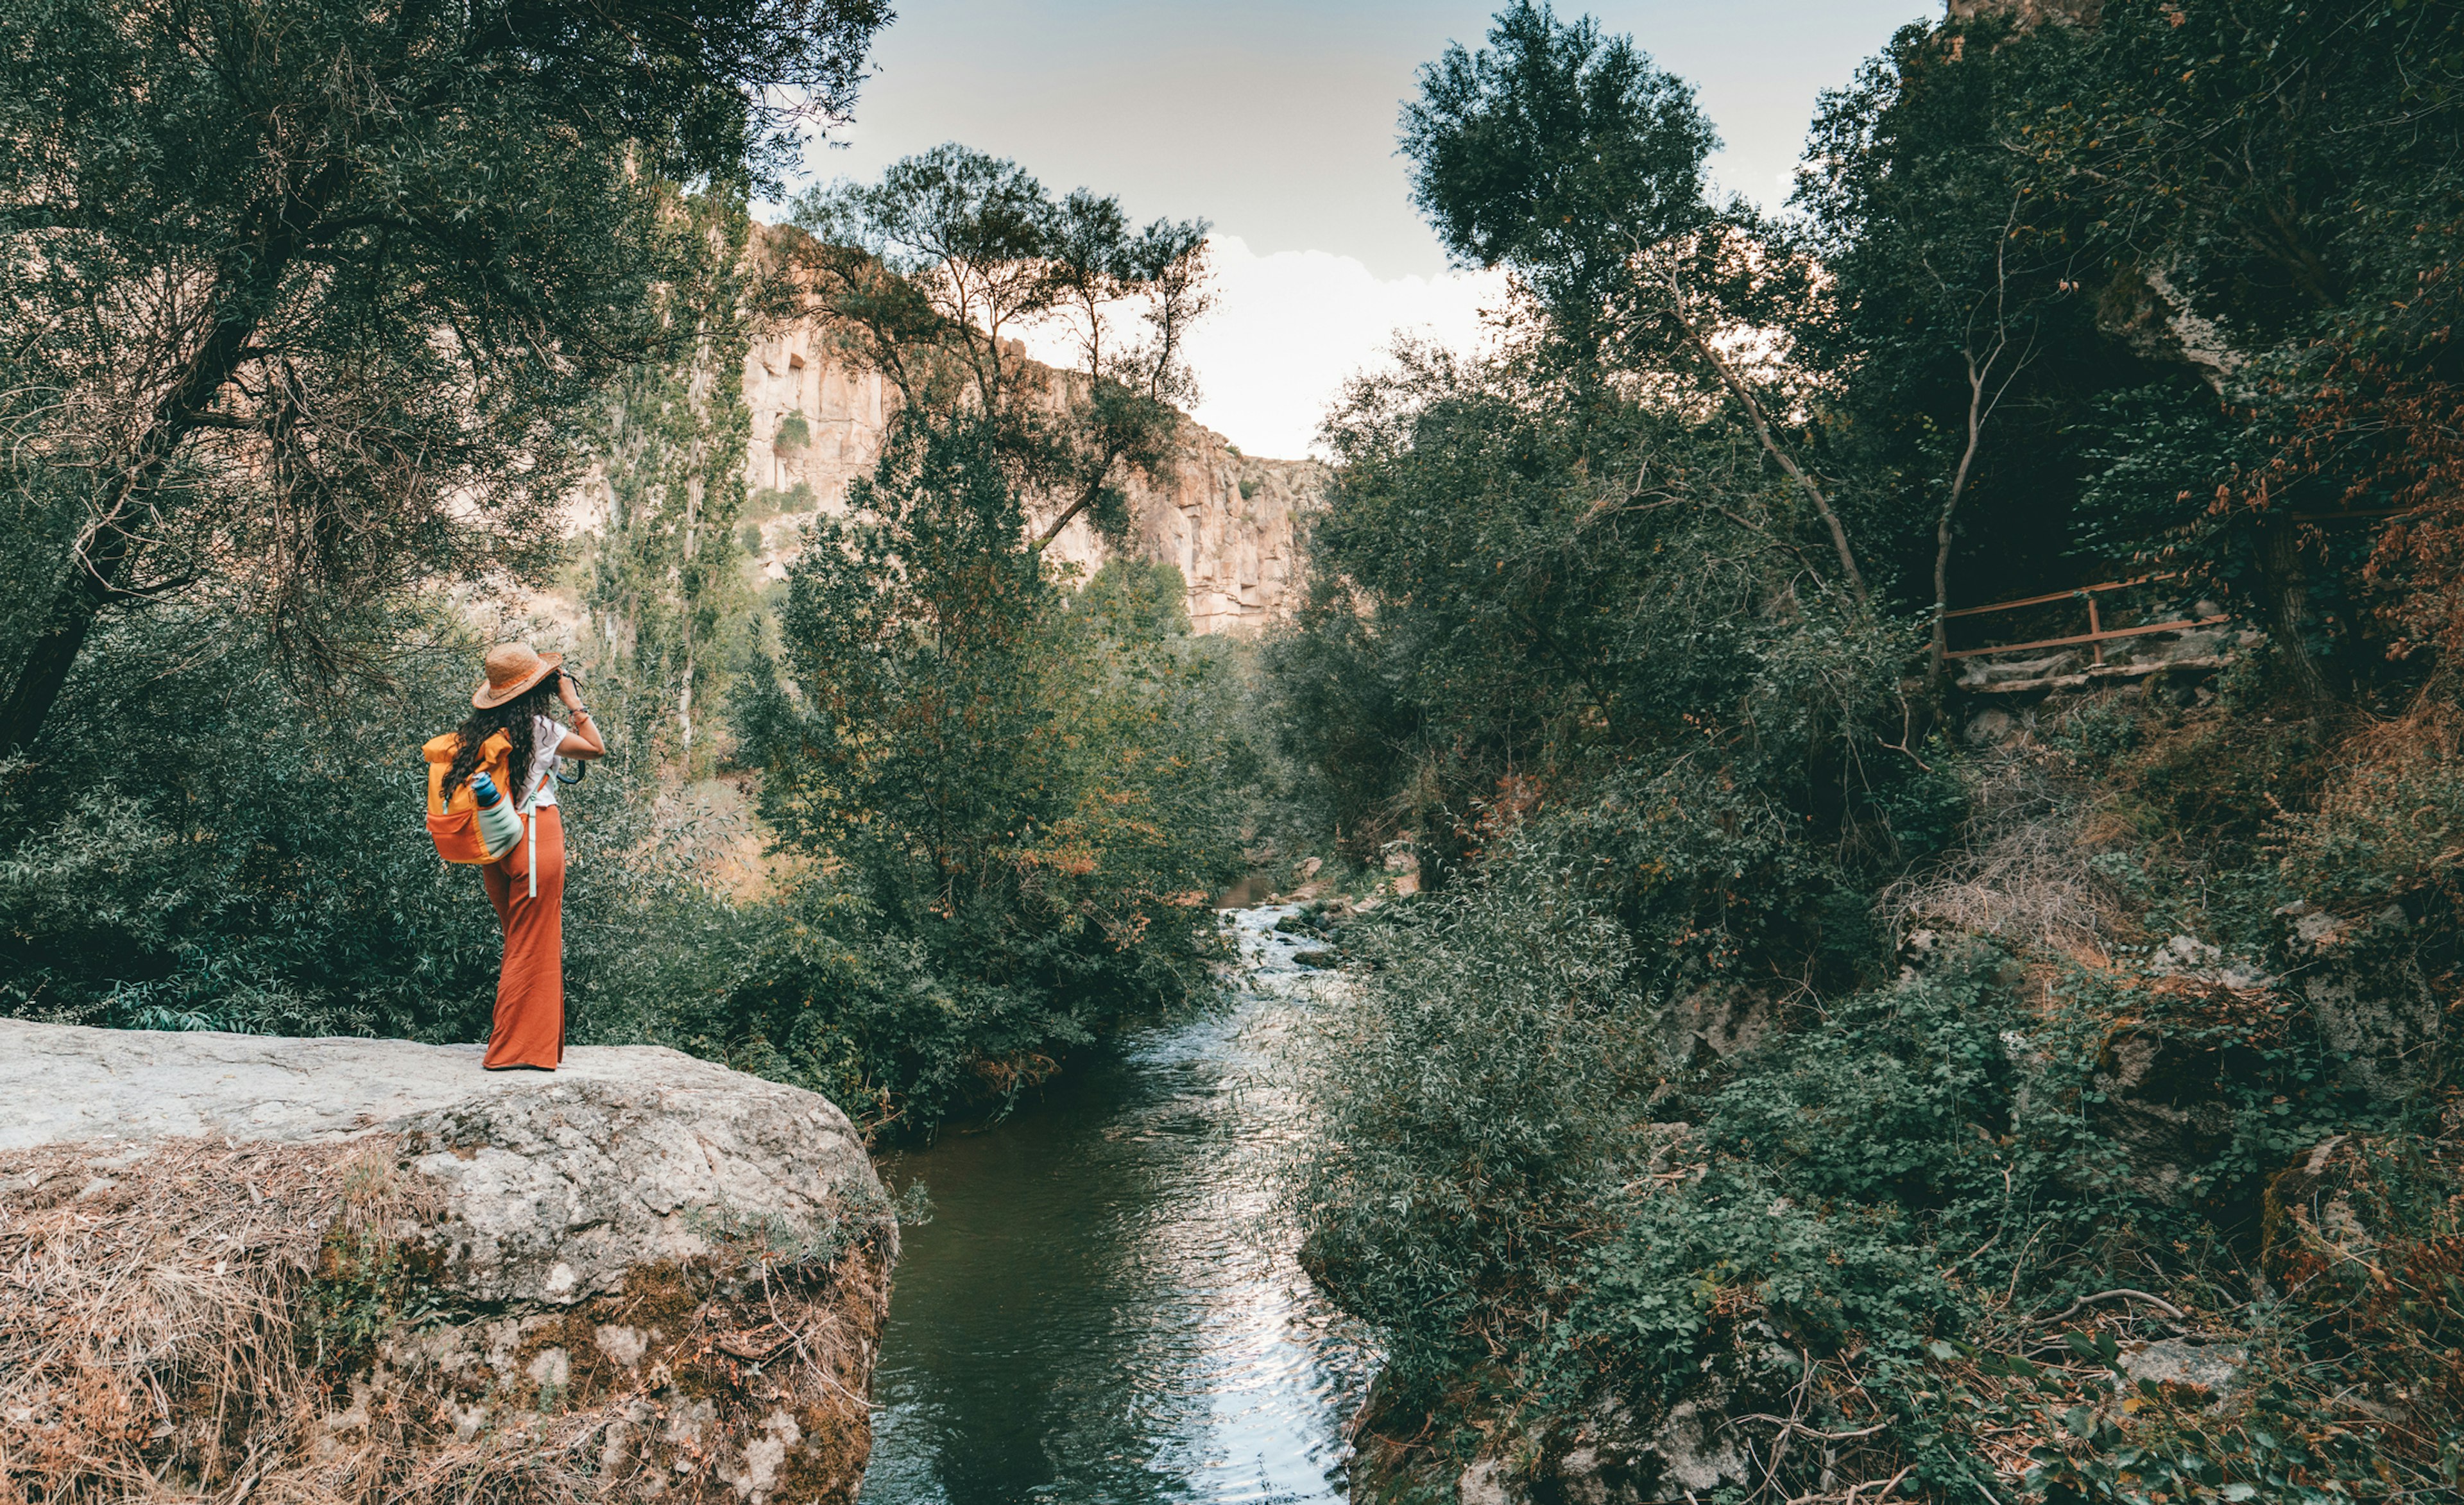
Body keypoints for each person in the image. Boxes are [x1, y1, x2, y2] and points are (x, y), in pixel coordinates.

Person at [440, 642, 605, 1069]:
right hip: (536, 838)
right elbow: (595, 747)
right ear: (537, 689)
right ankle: (515, 1052)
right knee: (535, 944)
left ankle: (534, 1046)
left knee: (521, 941)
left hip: (497, 842)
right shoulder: (542, 729)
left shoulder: (476, 733)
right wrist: (572, 701)